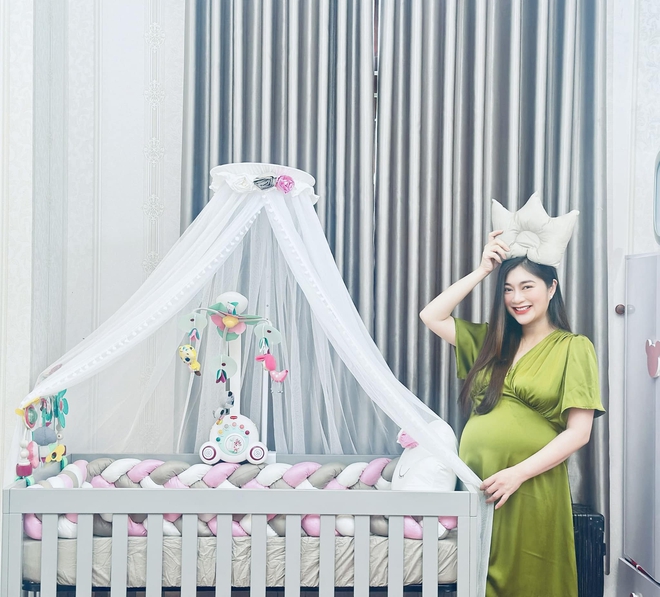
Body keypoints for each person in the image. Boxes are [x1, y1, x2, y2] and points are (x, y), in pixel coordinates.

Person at [420, 229, 605, 597]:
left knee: (530, 578)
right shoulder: (491, 342)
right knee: (481, 579)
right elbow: (431, 315)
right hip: (481, 483)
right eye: (507, 289)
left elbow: (579, 432)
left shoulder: (574, 347)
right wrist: (482, 271)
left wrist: (516, 474)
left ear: (551, 288)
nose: (516, 298)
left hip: (530, 483)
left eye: (526, 287)